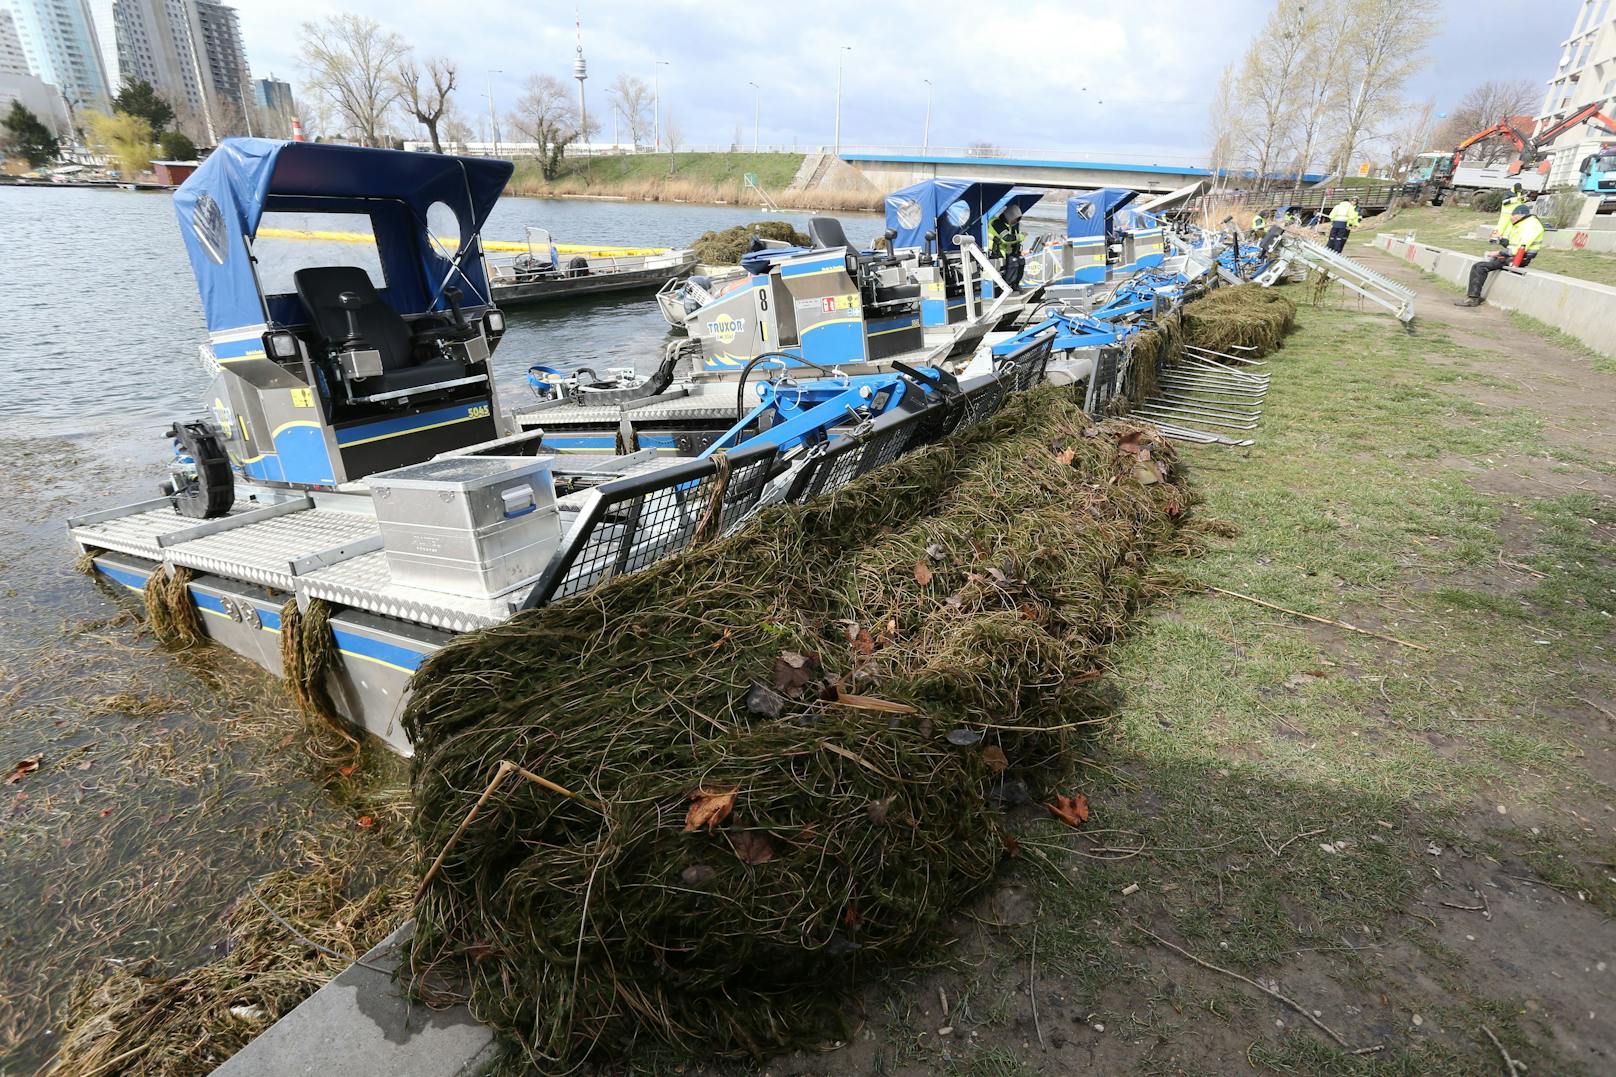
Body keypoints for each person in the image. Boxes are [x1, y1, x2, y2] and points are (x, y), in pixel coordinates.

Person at [1455, 201, 1544, 307]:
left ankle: (1473, 299)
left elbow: (1519, 249)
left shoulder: (1530, 226)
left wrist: (1498, 253)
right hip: (1514, 257)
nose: (1511, 218)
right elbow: (1512, 245)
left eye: (1513, 215)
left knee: (1479, 267)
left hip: (1518, 259)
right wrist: (1500, 239)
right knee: (1485, 263)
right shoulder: (1524, 224)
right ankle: (1473, 296)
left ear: (1520, 214)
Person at [989, 203, 1026, 289]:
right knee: (1013, 261)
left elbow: (1013, 239)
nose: (1015, 222)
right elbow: (1007, 239)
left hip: (1004, 251)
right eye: (1015, 219)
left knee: (1021, 260)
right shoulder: (996, 223)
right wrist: (1022, 236)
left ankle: (1015, 284)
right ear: (1009, 216)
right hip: (994, 252)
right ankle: (1006, 286)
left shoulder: (1010, 226)